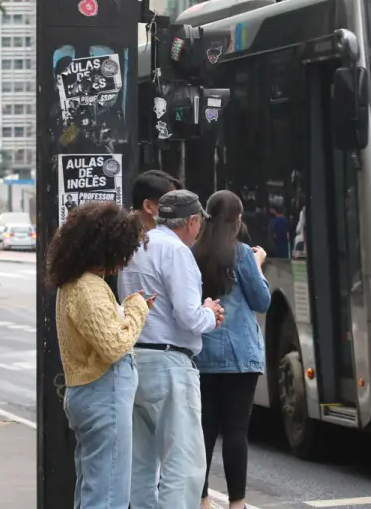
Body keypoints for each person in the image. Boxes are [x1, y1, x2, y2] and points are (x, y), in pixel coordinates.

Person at [118, 189, 226, 509]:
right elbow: (188, 316)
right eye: (199, 224)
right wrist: (211, 313)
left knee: (140, 464)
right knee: (183, 463)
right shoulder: (177, 252)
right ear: (192, 221)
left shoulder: (137, 247)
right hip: (170, 365)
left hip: (134, 360)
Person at [47, 201, 153, 509]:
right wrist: (137, 309)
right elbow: (113, 346)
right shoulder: (89, 288)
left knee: (93, 486)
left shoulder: (72, 283)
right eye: (123, 253)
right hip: (103, 394)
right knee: (109, 494)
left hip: (85, 394)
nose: (123, 262)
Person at [192, 191, 271, 509]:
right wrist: (258, 263)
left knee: (204, 429)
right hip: (240, 357)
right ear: (238, 220)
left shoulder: (192, 252)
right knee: (236, 431)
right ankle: (237, 504)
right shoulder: (242, 254)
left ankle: (202, 499)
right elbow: (262, 301)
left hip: (202, 354)